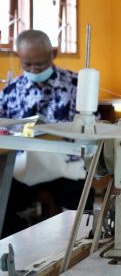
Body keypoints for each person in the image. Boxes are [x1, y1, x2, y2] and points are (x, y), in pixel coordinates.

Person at [0, 30, 93, 237]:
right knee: (2, 203)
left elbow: (88, 127)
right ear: (19, 58)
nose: (34, 69)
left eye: (40, 64)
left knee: (83, 203)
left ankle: (83, 249)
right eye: (27, 65)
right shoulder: (10, 92)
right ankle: (20, 244)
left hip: (64, 167)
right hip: (24, 170)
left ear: (54, 53)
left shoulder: (76, 86)